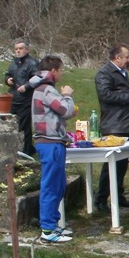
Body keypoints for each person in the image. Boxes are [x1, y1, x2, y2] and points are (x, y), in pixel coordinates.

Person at [30, 56, 75, 243]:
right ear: (54, 71)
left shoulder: (40, 89)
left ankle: (54, 225)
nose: (62, 74)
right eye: (61, 70)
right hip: (50, 143)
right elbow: (67, 110)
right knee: (51, 186)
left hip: (50, 142)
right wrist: (67, 95)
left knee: (58, 185)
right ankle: (47, 230)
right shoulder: (47, 90)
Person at [94, 44, 129, 212]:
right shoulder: (104, 73)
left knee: (121, 165)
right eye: (127, 56)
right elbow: (105, 95)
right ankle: (101, 199)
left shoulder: (122, 72)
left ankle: (118, 196)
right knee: (111, 164)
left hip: (125, 124)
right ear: (117, 58)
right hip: (114, 125)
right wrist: (128, 97)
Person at [4, 39, 40, 156]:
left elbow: (38, 78)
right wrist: (7, 80)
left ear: (27, 49)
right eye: (16, 49)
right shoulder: (14, 63)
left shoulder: (32, 63)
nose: (18, 51)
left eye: (21, 48)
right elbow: (8, 74)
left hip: (26, 99)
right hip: (13, 98)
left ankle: (26, 152)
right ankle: (17, 150)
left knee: (25, 127)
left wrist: (27, 86)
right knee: (13, 126)